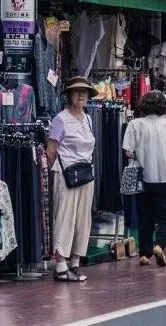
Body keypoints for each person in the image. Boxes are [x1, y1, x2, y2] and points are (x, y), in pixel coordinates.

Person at [122, 90, 166, 268]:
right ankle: (159, 245)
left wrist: (138, 156)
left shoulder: (135, 124)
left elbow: (127, 151)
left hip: (143, 177)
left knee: (145, 216)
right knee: (164, 216)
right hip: (164, 176)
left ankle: (144, 253)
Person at [47, 77, 97, 282]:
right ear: (69, 95)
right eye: (76, 92)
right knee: (65, 217)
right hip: (66, 174)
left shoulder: (88, 119)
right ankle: (60, 265)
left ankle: (75, 262)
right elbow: (51, 150)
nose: (81, 96)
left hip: (85, 173)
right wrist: (61, 169)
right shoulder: (60, 119)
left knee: (82, 219)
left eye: (84, 93)